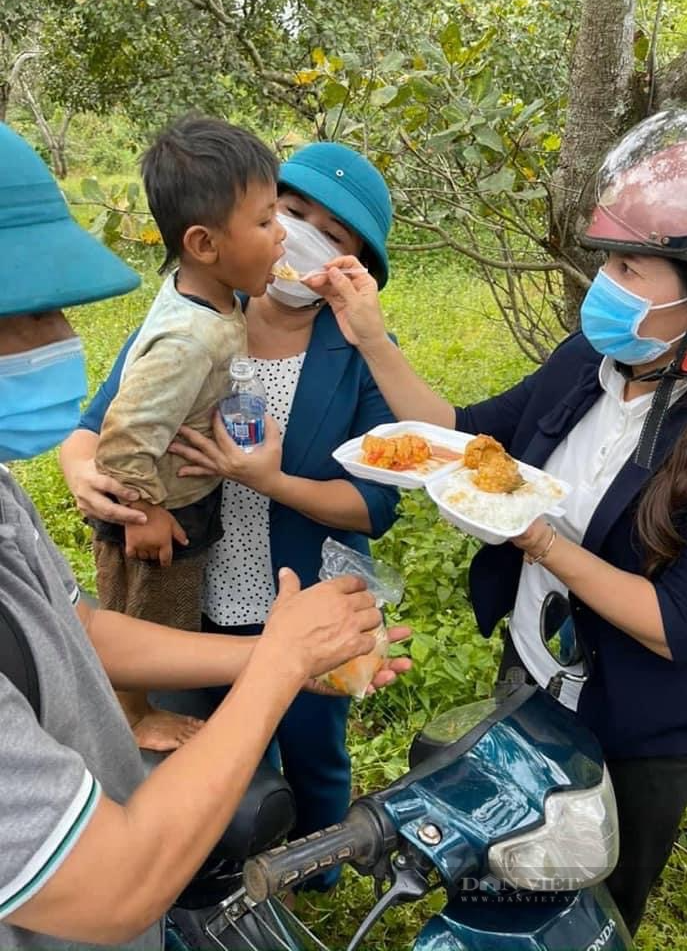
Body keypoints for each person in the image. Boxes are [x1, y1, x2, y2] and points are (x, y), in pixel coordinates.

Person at [306, 109, 687, 935]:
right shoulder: (588, 363)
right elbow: (463, 438)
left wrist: (538, 539)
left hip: (639, 727)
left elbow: (678, 628)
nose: (607, 286)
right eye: (610, 263)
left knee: (598, 896)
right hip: (532, 670)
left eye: (634, 270)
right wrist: (373, 339)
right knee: (510, 860)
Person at [0, 122, 411, 951]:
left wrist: (268, 489)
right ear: (213, 235)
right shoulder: (189, 322)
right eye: (285, 214)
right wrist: (103, 485)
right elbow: (100, 430)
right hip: (193, 585)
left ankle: (310, 866)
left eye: (333, 236)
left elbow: (379, 501)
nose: (297, 239)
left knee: (309, 750)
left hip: (290, 591)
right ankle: (209, 876)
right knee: (193, 742)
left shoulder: (354, 353)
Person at [88, 115, 287, 751]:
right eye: (265, 223)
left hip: (178, 498)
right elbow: (121, 439)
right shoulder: (186, 339)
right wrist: (141, 513)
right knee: (148, 618)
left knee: (164, 611)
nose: (283, 236)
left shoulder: (216, 297)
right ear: (204, 244)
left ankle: (137, 705)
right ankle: (131, 717)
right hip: (156, 511)